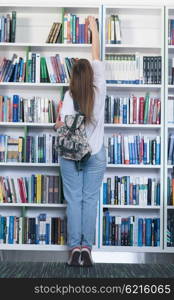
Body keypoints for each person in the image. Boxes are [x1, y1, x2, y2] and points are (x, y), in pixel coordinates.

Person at [54, 16, 106, 267]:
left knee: (73, 200)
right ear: (92, 76)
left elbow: (63, 125)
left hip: (70, 156)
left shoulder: (68, 95)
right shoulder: (100, 90)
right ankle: (87, 248)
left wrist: (59, 123)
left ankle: (75, 250)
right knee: (90, 200)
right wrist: (94, 30)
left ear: (74, 78)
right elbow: (96, 56)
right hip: (96, 154)